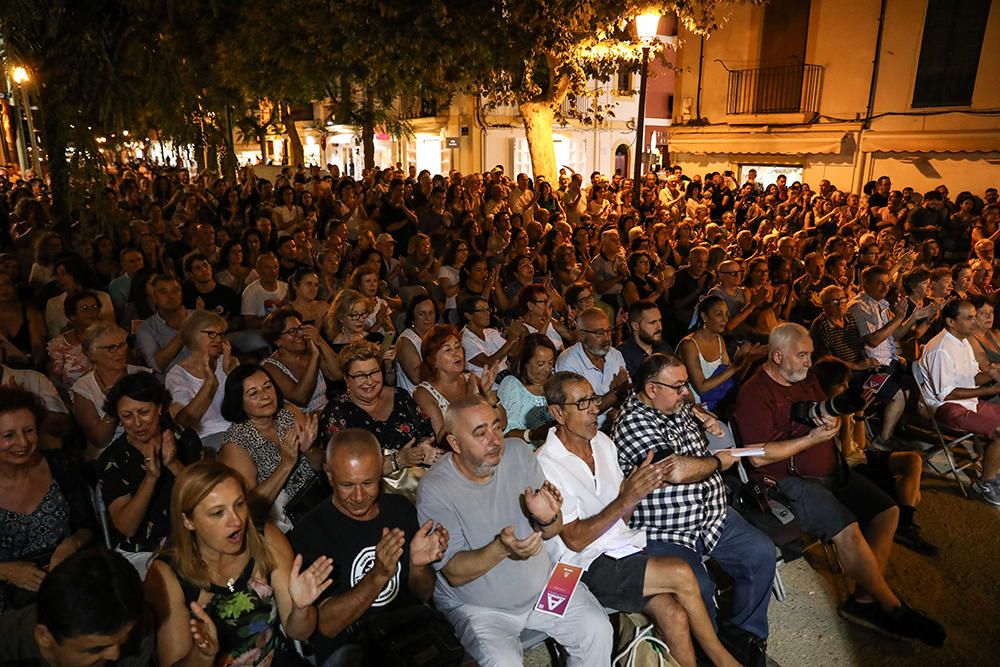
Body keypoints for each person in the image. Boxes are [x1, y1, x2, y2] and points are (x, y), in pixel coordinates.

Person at [733, 323, 945, 645]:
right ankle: (892, 607)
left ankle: (863, 598)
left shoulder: (805, 380)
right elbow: (757, 459)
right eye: (802, 355)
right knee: (849, 529)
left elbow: (824, 408)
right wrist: (810, 438)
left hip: (833, 471)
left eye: (810, 355)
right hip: (788, 484)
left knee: (888, 511)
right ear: (777, 356)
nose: (809, 362)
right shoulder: (754, 393)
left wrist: (831, 417)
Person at [539, 372, 739, 667]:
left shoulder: (602, 443)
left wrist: (640, 487)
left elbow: (622, 515)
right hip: (582, 566)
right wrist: (627, 497)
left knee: (674, 616)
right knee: (682, 572)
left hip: (622, 548)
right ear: (558, 413)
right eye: (583, 403)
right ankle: (724, 661)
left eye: (594, 398)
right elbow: (575, 539)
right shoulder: (546, 463)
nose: (596, 408)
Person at [415, 395, 614, 666]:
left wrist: (546, 518)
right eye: (480, 433)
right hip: (481, 608)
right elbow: (454, 573)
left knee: (597, 630)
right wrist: (502, 548)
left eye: (496, 427)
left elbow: (553, 529)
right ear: (454, 443)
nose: (495, 440)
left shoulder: (518, 452)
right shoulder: (436, 488)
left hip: (541, 584)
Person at [613, 354, 774, 665]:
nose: (686, 392)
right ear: (651, 388)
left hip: (710, 513)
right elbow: (672, 469)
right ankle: (708, 650)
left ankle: (743, 636)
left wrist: (709, 421)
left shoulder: (675, 405)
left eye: (685, 384)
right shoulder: (633, 423)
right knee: (699, 586)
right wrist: (718, 461)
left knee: (760, 553)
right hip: (666, 528)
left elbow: (699, 421)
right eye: (678, 386)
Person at [143, 461, 334, 667]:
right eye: (218, 512)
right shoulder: (166, 574)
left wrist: (301, 608)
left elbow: (300, 631)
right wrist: (203, 656)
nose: (236, 521)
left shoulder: (266, 538)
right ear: (188, 521)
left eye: (239, 504)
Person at [289, 429, 450, 666]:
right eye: (347, 485)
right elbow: (327, 626)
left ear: (379, 474)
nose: (358, 496)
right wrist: (378, 575)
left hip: (409, 633)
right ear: (330, 476)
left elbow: (422, 593)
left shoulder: (399, 509)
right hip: (352, 650)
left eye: (368, 483)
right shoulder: (311, 532)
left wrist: (418, 565)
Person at [810, 358, 938, 557]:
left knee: (913, 461)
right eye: (841, 383)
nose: (846, 387)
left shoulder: (845, 403)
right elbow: (843, 455)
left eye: (847, 382)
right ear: (826, 386)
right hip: (848, 467)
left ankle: (904, 522)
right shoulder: (825, 413)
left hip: (859, 457)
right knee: (909, 495)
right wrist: (844, 419)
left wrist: (859, 414)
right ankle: (904, 523)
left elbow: (859, 446)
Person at [0, 387, 94, 614]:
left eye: (29, 431)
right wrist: (5, 571)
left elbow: (87, 526)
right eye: (9, 435)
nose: (22, 443)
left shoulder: (61, 466)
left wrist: (73, 544)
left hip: (65, 583)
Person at [99, 372, 203, 576]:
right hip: (141, 552)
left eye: (144, 412)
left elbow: (203, 496)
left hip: (191, 539)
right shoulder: (112, 460)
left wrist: (173, 464)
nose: (137, 423)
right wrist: (151, 478)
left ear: (160, 408)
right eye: (127, 416)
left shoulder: (185, 439)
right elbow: (126, 527)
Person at [0, 548, 155, 667]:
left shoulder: (138, 633)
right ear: (44, 636)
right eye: (95, 649)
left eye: (122, 641)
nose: (114, 654)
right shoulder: (9, 647)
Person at [319, 341, 439, 493]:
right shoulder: (336, 412)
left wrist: (424, 450)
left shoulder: (400, 395)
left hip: (422, 484)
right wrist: (398, 461)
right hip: (372, 497)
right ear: (347, 378)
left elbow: (426, 432)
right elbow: (342, 471)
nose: (369, 381)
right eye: (360, 376)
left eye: (374, 372)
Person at [916, 299, 1000, 505]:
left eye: (974, 316)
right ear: (951, 322)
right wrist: (990, 389)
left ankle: (993, 467)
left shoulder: (962, 341)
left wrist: (991, 374)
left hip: (968, 401)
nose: (974, 322)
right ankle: (985, 483)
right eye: (969, 318)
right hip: (945, 407)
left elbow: (972, 377)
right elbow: (946, 394)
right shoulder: (941, 349)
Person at [218, 364, 321, 531]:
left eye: (268, 387)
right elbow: (250, 508)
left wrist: (308, 450)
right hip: (282, 522)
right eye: (253, 393)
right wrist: (286, 464)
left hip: (316, 498)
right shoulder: (236, 444)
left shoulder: (288, 413)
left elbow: (320, 464)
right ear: (239, 402)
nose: (265, 396)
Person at [72, 322, 149, 460]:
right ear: (91, 354)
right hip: (108, 457)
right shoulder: (83, 388)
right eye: (111, 348)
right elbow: (100, 440)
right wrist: (114, 403)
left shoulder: (143, 375)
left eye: (122, 344)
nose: (120, 352)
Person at [413, 324, 504, 438]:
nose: (456, 354)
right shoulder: (424, 393)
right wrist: (469, 399)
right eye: (448, 350)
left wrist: (488, 393)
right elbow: (442, 439)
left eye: (458, 347)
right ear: (433, 361)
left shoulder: (471, 379)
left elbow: (503, 423)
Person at [165, 310, 236, 451]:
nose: (218, 339)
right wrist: (209, 383)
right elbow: (185, 421)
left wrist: (232, 373)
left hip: (237, 429)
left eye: (221, 334)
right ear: (194, 335)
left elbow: (247, 404)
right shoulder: (177, 376)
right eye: (211, 334)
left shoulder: (228, 362)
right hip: (206, 437)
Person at [554, 307, 630, 427]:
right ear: (582, 335)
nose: (607, 338)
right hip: (585, 432)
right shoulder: (568, 363)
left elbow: (627, 393)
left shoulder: (615, 355)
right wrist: (615, 393)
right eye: (600, 333)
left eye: (609, 331)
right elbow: (583, 410)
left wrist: (622, 391)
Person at [261, 308, 338, 414]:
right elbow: (301, 398)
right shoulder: (270, 367)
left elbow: (338, 375)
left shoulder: (309, 350)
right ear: (277, 341)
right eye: (292, 331)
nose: (300, 334)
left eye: (300, 328)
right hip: (301, 422)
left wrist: (320, 341)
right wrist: (315, 356)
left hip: (328, 412)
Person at [497, 332, 557, 445]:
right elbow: (506, 432)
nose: (547, 369)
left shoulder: (554, 382)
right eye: (541, 364)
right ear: (525, 362)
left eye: (550, 363)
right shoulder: (512, 385)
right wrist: (533, 434)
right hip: (524, 450)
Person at [135, 274, 189, 376]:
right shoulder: (146, 328)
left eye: (175, 291)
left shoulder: (197, 317)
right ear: (154, 297)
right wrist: (184, 331)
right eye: (163, 292)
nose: (171, 296)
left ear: (181, 294)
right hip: (170, 385)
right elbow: (156, 365)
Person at [46, 291, 101, 389]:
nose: (91, 312)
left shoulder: (110, 337)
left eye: (94, 307)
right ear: (72, 315)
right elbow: (55, 380)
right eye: (84, 308)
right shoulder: (60, 344)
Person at [619, 299, 675, 383]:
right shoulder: (622, 354)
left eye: (660, 321)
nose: (659, 327)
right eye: (653, 323)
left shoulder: (664, 347)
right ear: (636, 326)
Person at [395, 293, 438, 395]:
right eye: (422, 314)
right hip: (415, 397)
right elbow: (416, 377)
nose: (428, 318)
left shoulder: (438, 332)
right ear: (412, 317)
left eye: (431, 313)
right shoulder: (405, 341)